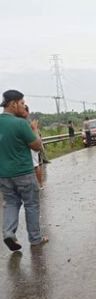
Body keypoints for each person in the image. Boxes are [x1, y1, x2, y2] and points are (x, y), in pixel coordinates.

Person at [0, 90, 48, 251]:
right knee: (31, 204)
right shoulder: (20, 123)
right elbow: (37, 146)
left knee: (11, 203)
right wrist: (34, 129)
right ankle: (35, 239)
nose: (22, 106)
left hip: (4, 174)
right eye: (21, 103)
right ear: (13, 104)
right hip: (23, 172)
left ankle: (8, 232)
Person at [19, 105, 43, 189]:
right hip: (27, 146)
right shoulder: (27, 121)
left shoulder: (26, 121)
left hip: (31, 146)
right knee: (34, 165)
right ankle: (38, 184)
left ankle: (39, 184)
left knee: (35, 165)